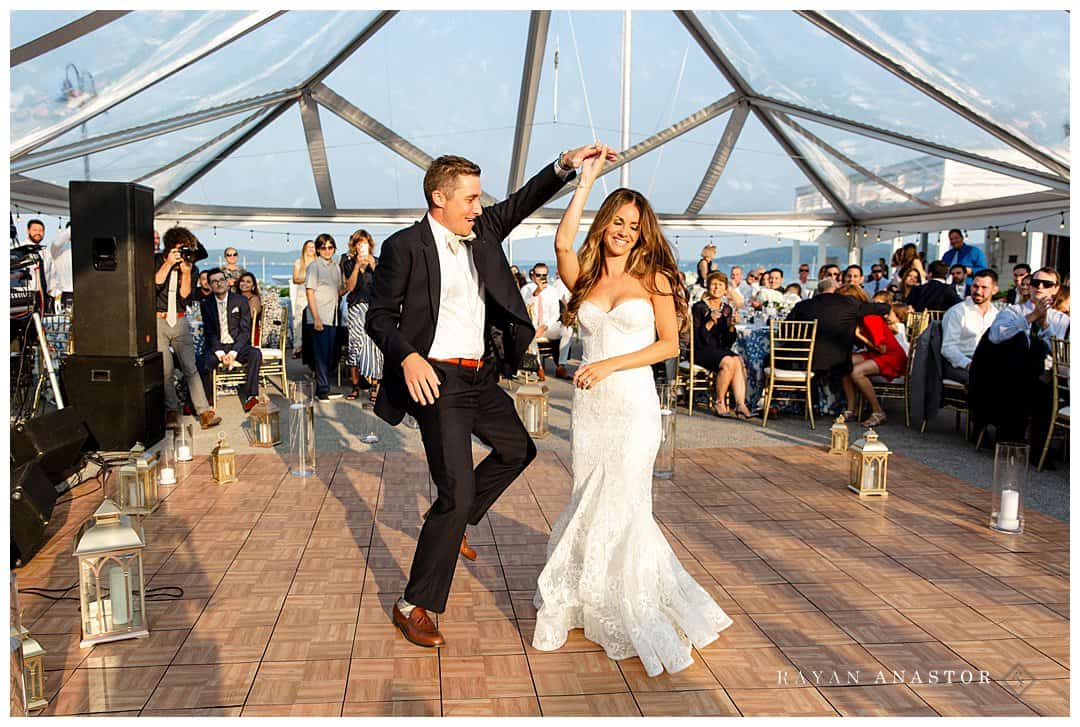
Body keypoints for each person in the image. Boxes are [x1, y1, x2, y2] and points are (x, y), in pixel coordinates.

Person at [366, 145, 604, 649]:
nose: (478, 207)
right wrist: (408, 358)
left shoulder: (484, 231)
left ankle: (460, 523)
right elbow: (378, 317)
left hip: (481, 378)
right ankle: (416, 605)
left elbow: (524, 200)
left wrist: (564, 166)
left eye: (479, 199)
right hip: (435, 380)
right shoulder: (404, 247)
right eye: (470, 198)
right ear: (439, 197)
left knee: (519, 450)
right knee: (454, 492)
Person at [531, 146, 732, 676]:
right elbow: (561, 241)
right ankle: (590, 595)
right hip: (593, 411)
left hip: (633, 405)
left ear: (644, 233)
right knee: (589, 495)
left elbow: (669, 345)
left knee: (624, 499)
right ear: (607, 223)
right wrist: (587, 180)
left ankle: (630, 598)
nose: (624, 231)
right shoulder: (587, 277)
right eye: (617, 222)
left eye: (633, 226)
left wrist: (611, 364)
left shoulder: (656, 279)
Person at [976, 266, 1070, 447]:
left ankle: (1037, 448)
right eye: (1035, 282)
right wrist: (1030, 317)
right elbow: (996, 336)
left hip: (1046, 377)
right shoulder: (1012, 311)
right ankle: (1011, 440)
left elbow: (1061, 356)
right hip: (1010, 375)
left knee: (1045, 387)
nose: (1040, 287)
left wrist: (1044, 326)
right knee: (1020, 344)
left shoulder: (1062, 320)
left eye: (1046, 283)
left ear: (1056, 288)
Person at [787, 277, 891, 417]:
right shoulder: (848, 303)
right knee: (848, 365)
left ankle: (778, 402)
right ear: (835, 290)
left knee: (769, 358)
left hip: (803, 361)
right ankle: (847, 407)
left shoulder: (803, 305)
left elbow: (786, 330)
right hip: (837, 361)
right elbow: (883, 307)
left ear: (819, 291)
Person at [156, 227, 220, 430]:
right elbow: (155, 284)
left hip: (181, 320)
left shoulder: (191, 268)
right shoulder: (157, 260)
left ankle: (204, 411)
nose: (183, 253)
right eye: (179, 249)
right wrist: (168, 264)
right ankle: (172, 411)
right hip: (158, 320)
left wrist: (185, 272)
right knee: (165, 370)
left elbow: (185, 297)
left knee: (190, 367)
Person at [837, 284, 907, 427]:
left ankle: (878, 411)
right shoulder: (858, 316)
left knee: (856, 372)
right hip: (876, 353)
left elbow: (882, 348)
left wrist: (859, 336)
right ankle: (852, 409)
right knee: (843, 363)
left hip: (891, 356)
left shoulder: (870, 317)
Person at [197, 268, 262, 413]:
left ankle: (251, 396)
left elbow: (245, 331)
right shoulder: (206, 303)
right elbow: (209, 332)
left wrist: (233, 353)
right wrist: (221, 354)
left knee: (255, 354)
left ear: (227, 282)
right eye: (214, 281)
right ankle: (208, 400)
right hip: (217, 345)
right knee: (203, 361)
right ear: (209, 285)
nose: (219, 284)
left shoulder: (241, 301)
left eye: (221, 280)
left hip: (237, 345)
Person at [692, 272, 753, 419]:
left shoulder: (727, 309)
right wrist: (710, 322)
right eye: (713, 284)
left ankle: (740, 404)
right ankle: (719, 402)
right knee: (728, 362)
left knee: (738, 360)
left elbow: (727, 341)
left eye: (720, 285)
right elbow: (697, 338)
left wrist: (731, 326)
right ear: (708, 286)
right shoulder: (699, 307)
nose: (716, 287)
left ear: (725, 289)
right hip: (701, 350)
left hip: (719, 349)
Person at [341, 229, 383, 403]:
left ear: (370, 245)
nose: (361, 247)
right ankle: (356, 385)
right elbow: (349, 287)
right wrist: (358, 265)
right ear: (354, 246)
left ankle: (375, 385)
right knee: (355, 345)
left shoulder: (379, 262)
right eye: (359, 244)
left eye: (364, 243)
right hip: (356, 307)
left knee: (374, 346)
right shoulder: (348, 261)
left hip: (374, 307)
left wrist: (373, 264)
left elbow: (384, 285)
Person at [304, 233, 345, 400]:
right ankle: (322, 389)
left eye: (330, 247)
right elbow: (310, 292)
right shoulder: (314, 266)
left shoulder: (336, 267)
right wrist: (316, 318)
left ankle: (324, 384)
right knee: (321, 354)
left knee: (330, 353)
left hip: (333, 316)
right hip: (319, 315)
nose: (327, 250)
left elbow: (339, 290)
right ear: (318, 250)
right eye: (323, 247)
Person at [941, 269, 999, 384]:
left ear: (994, 290)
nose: (978, 291)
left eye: (984, 287)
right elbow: (948, 348)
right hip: (958, 364)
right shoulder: (957, 312)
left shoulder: (996, 314)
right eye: (975, 286)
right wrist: (967, 363)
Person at [522, 262, 573, 380]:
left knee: (567, 330)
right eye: (538, 275)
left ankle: (561, 365)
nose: (541, 278)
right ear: (533, 275)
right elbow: (525, 308)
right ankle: (538, 366)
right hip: (532, 326)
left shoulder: (552, 290)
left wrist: (545, 326)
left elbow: (555, 313)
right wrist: (536, 293)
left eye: (544, 275)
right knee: (531, 335)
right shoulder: (526, 289)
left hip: (547, 326)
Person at [290, 239, 317, 358]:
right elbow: (295, 279)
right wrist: (307, 280)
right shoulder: (299, 262)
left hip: (315, 295)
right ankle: (298, 347)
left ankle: (310, 347)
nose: (311, 249)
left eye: (313, 247)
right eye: (309, 247)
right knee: (299, 321)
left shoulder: (318, 262)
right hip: (302, 295)